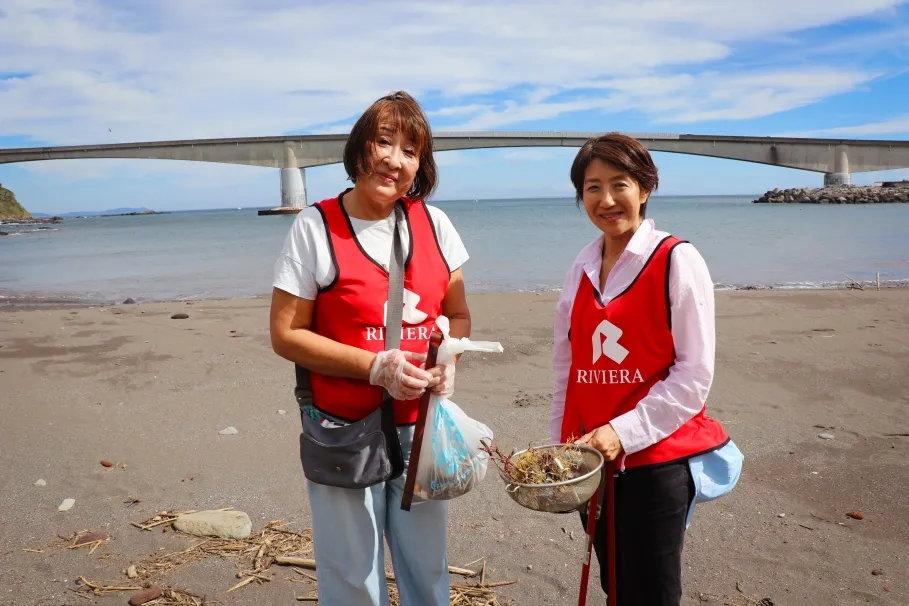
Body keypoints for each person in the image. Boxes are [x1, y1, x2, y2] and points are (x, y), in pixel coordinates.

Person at [269, 91, 471, 606]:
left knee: (426, 569)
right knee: (352, 575)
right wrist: (375, 366)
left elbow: (458, 315)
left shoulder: (436, 225)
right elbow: (286, 334)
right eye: (384, 142)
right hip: (341, 427)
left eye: (410, 151)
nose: (394, 160)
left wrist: (448, 361)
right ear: (361, 147)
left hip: (418, 424)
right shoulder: (314, 227)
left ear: (421, 166)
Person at [550, 133, 742, 605]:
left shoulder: (677, 259)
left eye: (620, 184)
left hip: (653, 462)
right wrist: (559, 449)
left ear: (645, 187)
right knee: (615, 583)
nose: (607, 200)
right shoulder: (581, 267)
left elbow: (694, 375)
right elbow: (567, 368)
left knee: (651, 592)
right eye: (593, 187)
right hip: (590, 459)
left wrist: (622, 432)